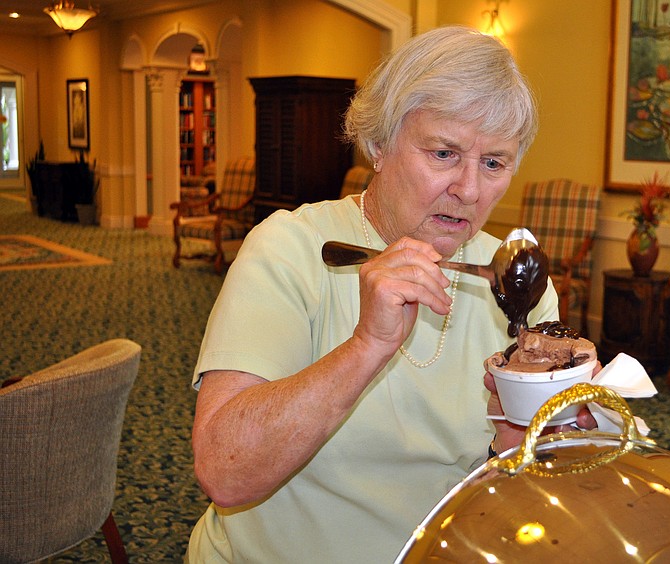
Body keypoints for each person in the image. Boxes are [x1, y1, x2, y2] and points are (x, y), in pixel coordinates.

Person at [187, 25, 596, 563]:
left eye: (494, 162)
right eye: (444, 154)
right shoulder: (288, 250)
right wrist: (365, 346)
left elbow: (533, 490)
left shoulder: (515, 278)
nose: (469, 190)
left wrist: (533, 436)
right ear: (378, 145)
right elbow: (224, 472)